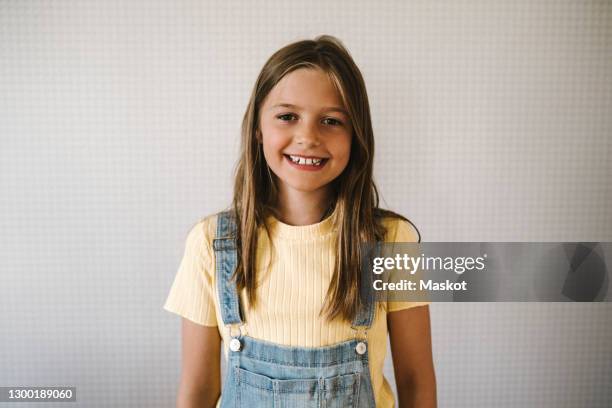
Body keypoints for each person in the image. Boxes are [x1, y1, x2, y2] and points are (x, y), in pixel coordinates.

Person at [163, 34, 436, 408]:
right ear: (258, 127)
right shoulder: (210, 244)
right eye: (288, 116)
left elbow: (416, 382)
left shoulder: (392, 240)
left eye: (331, 121)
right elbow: (197, 391)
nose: (307, 137)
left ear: (356, 135)